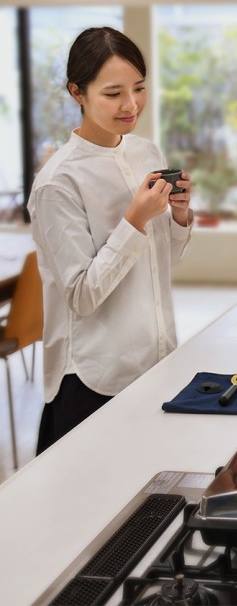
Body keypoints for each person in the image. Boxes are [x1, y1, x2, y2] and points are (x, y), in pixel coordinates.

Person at [28, 27, 193, 454]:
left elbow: (160, 265)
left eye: (139, 88)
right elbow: (82, 295)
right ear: (77, 92)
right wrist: (134, 220)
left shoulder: (145, 153)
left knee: (153, 512)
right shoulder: (57, 184)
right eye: (113, 93)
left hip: (156, 365)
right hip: (92, 381)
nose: (131, 105)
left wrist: (177, 216)